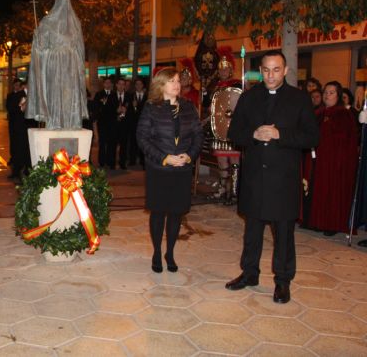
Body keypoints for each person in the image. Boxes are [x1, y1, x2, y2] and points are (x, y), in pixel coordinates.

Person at [225, 50, 319, 304]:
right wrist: (253, 135)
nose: (270, 75)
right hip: (255, 177)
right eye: (266, 70)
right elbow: (234, 132)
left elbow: (312, 137)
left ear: (286, 71)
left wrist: (281, 135)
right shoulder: (249, 97)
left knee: (284, 234)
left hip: (284, 179)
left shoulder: (299, 99)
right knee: (252, 230)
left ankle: (283, 281)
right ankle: (249, 273)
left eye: (276, 69)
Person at [137, 68, 203, 273]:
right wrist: (164, 158)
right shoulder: (151, 108)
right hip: (159, 169)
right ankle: (157, 252)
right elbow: (142, 138)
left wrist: (189, 155)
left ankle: (170, 253)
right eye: (171, 81)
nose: (177, 84)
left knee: (176, 213)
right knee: (158, 213)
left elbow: (198, 135)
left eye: (177, 81)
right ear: (161, 84)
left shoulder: (189, 107)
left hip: (182, 169)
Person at [305, 81, 358, 236]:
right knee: (317, 190)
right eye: (326, 92)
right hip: (318, 161)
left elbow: (347, 141)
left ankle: (331, 224)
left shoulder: (344, 114)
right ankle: (316, 221)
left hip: (335, 163)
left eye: (331, 92)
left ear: (338, 95)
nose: (327, 95)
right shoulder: (318, 113)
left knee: (332, 192)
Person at [207, 47, 242, 205]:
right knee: (221, 162)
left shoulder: (238, 85)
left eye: (226, 69)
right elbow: (211, 106)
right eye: (220, 70)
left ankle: (233, 191)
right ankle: (222, 188)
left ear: (230, 70)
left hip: (233, 128)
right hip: (219, 128)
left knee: (234, 160)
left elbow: (241, 105)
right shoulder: (214, 88)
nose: (223, 72)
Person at [94, 77, 118, 168]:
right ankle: (102, 162)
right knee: (102, 143)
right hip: (102, 123)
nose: (108, 84)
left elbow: (115, 107)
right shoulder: (99, 94)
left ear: (111, 84)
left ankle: (111, 162)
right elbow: (96, 107)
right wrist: (102, 104)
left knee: (111, 143)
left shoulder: (114, 94)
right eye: (106, 83)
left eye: (109, 83)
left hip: (112, 122)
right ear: (103, 84)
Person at [112, 77, 132, 169]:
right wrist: (116, 111)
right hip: (114, 125)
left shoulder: (129, 96)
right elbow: (107, 111)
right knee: (113, 145)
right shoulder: (111, 96)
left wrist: (127, 110)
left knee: (124, 146)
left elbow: (133, 112)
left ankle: (122, 163)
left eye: (123, 84)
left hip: (125, 125)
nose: (121, 86)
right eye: (119, 84)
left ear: (125, 86)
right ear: (116, 85)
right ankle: (112, 164)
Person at [129, 77, 147, 167]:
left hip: (144, 124)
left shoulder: (147, 97)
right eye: (137, 84)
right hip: (133, 123)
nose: (138, 86)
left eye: (140, 84)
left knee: (143, 143)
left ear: (143, 85)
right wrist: (133, 107)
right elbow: (128, 111)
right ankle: (132, 160)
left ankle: (143, 161)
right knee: (133, 142)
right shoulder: (130, 96)